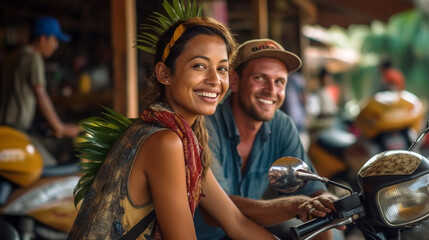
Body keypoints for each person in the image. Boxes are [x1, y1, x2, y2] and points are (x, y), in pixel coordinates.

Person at [67, 17, 280, 240]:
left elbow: (236, 222)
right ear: (164, 74)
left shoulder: (183, 140)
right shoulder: (164, 142)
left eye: (222, 68)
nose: (215, 79)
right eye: (199, 65)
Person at [194, 39, 342, 240]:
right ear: (234, 81)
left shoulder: (282, 125)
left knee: (330, 227)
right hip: (202, 236)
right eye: (260, 78)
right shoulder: (206, 124)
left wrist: (328, 204)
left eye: (279, 81)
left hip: (245, 231)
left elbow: (314, 193)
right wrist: (294, 205)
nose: (271, 90)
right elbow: (215, 212)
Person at [0, 16, 80, 166]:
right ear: (43, 38)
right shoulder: (33, 57)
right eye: (55, 40)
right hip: (17, 131)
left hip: (3, 129)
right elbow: (41, 95)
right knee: (48, 167)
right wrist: (60, 127)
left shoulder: (12, 57)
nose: (56, 46)